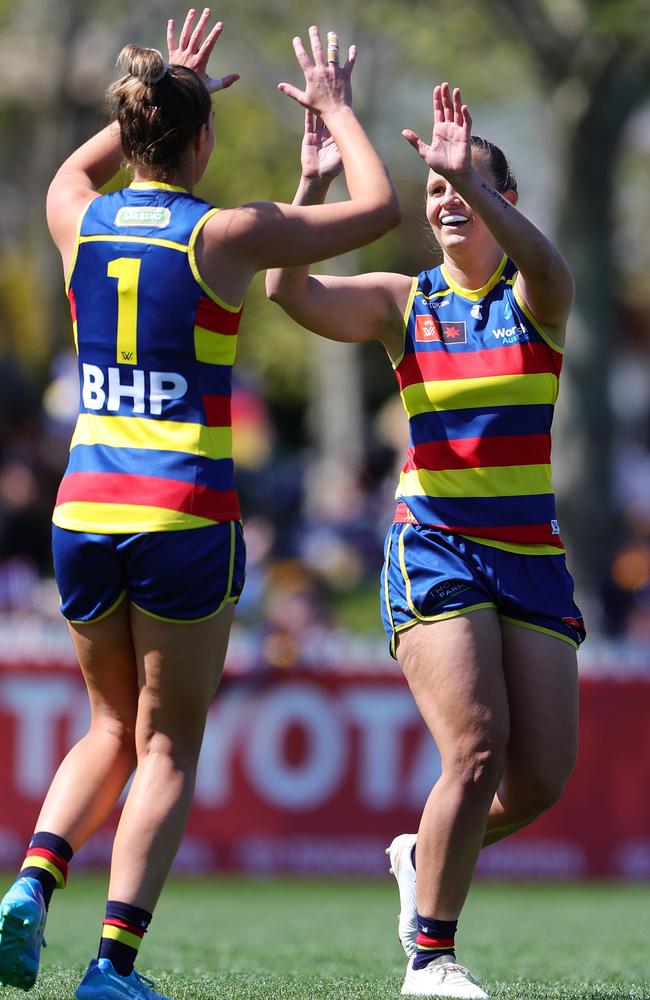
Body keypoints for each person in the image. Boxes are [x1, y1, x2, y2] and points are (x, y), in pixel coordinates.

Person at [0, 10, 398, 1000]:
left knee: (105, 727)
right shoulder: (225, 234)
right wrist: (339, 114)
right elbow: (382, 208)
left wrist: (165, 79)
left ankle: (32, 882)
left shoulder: (75, 214)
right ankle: (110, 968)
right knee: (167, 741)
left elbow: (75, 171)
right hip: (180, 513)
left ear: (131, 129)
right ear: (200, 137)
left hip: (84, 507)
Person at [266, 82, 585, 998]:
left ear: (503, 205)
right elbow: (290, 289)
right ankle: (431, 961)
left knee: (540, 780)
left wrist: (472, 180)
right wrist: (312, 181)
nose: (444, 199)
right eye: (436, 189)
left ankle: (419, 853)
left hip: (530, 555)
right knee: (476, 749)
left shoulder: (537, 298)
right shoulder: (405, 303)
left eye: (465, 188)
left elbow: (552, 268)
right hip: (437, 543)